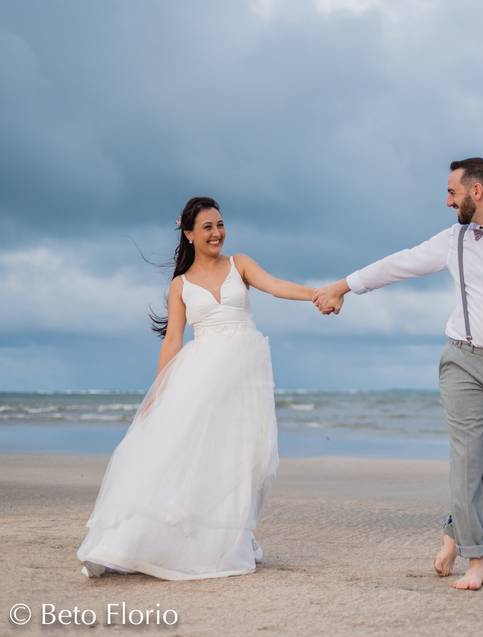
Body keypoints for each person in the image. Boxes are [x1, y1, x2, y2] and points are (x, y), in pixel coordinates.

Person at [313, 158, 483, 590]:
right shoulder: (452, 240)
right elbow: (401, 263)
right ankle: (476, 560)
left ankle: (454, 531)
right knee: (467, 464)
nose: (446, 200)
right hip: (463, 363)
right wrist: (343, 286)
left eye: (452, 192)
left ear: (476, 192)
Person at [77, 196, 320, 580]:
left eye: (220, 225)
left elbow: (274, 285)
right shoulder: (180, 285)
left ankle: (238, 535)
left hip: (245, 376)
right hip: (201, 376)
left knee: (255, 460)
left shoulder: (240, 264)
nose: (217, 233)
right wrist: (156, 393)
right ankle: (125, 544)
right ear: (189, 234)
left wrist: (315, 294)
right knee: (194, 457)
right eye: (207, 227)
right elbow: (172, 340)